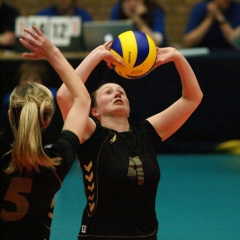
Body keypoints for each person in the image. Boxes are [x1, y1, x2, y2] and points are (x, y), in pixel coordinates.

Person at [57, 33, 203, 238]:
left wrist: (177, 57)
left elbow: (192, 98)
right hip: (99, 235)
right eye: (108, 92)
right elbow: (65, 97)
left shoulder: (146, 133)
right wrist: (96, 55)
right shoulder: (91, 134)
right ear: (94, 111)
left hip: (145, 235)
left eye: (121, 92)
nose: (117, 93)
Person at [0, 25, 91, 240]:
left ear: (10, 116)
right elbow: (82, 100)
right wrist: (52, 53)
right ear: (48, 120)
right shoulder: (56, 160)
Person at [0, 61, 63, 146]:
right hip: (16, 146)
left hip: (47, 146)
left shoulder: (54, 99)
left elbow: (55, 133)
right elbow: (6, 132)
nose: (30, 83)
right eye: (25, 79)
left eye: (35, 79)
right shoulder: (10, 100)